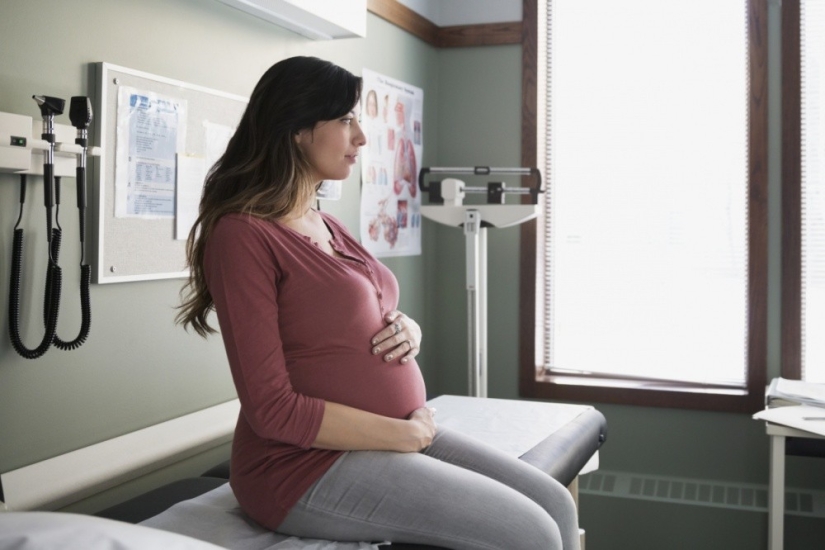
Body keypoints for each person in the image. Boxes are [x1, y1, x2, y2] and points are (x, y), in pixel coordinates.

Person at [177, 56, 580, 550]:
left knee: (556, 504)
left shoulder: (326, 223)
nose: (362, 138)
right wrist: (403, 436)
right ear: (298, 129)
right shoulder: (242, 235)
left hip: (394, 432)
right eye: (346, 120)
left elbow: (358, 305)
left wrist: (408, 328)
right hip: (299, 466)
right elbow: (271, 410)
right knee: (532, 533)